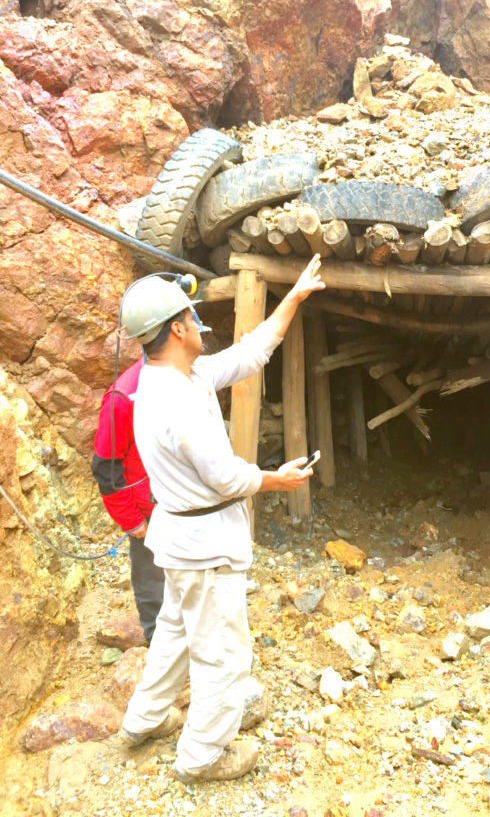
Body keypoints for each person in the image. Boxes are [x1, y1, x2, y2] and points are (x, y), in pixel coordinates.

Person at [117, 254, 325, 783]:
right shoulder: (177, 401)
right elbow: (226, 478)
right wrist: (278, 479)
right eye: (192, 318)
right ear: (179, 328)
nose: (199, 326)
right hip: (204, 545)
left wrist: (294, 297)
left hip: (182, 541)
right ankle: (202, 756)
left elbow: (250, 354)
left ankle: (143, 721)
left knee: (175, 635)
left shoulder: (174, 377)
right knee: (225, 657)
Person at [92, 358, 164, 645]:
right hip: (149, 514)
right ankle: (161, 649)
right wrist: (132, 520)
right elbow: (106, 468)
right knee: (153, 584)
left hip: (184, 507)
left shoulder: (190, 377)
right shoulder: (123, 397)